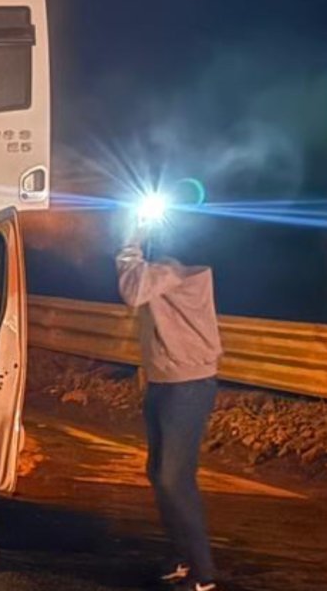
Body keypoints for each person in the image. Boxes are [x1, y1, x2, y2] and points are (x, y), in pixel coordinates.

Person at [117, 230, 222, 591]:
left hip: (186, 386)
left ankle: (203, 573)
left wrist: (129, 243)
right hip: (168, 382)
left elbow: (132, 291)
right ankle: (182, 557)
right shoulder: (169, 271)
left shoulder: (176, 271)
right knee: (161, 473)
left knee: (172, 477)